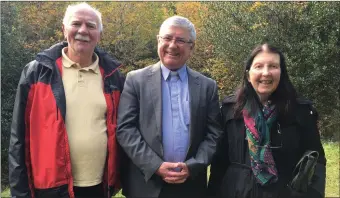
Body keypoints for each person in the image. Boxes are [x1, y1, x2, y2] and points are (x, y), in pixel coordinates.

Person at [8, 2, 124, 198]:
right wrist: (20, 192)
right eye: (76, 23)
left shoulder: (114, 77)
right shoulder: (37, 72)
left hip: (99, 186)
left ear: (99, 34)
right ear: (64, 29)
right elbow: (18, 137)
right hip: (51, 187)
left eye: (91, 26)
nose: (83, 30)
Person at [116, 16, 223, 198]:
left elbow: (214, 134)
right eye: (167, 38)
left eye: (181, 40)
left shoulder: (207, 86)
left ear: (192, 47)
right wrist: (155, 165)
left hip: (191, 186)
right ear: (158, 40)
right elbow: (126, 130)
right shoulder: (136, 80)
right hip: (146, 184)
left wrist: (194, 165)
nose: (173, 45)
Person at [208, 43, 326, 198]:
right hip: (236, 191)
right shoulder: (230, 110)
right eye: (258, 66)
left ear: (281, 73)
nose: (266, 73)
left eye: (273, 66)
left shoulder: (300, 111)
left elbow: (316, 161)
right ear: (248, 74)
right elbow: (219, 163)